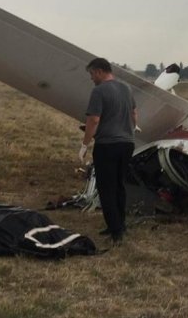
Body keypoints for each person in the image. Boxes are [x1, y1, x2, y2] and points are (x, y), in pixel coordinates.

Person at [79, 57, 137, 244]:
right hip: (127, 144)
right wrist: (128, 129)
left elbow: (93, 120)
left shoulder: (99, 91)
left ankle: (116, 231)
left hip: (107, 145)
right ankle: (120, 224)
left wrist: (84, 145)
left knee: (106, 188)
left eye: (91, 74)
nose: (91, 78)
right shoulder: (126, 88)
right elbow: (134, 114)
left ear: (98, 71)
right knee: (119, 185)